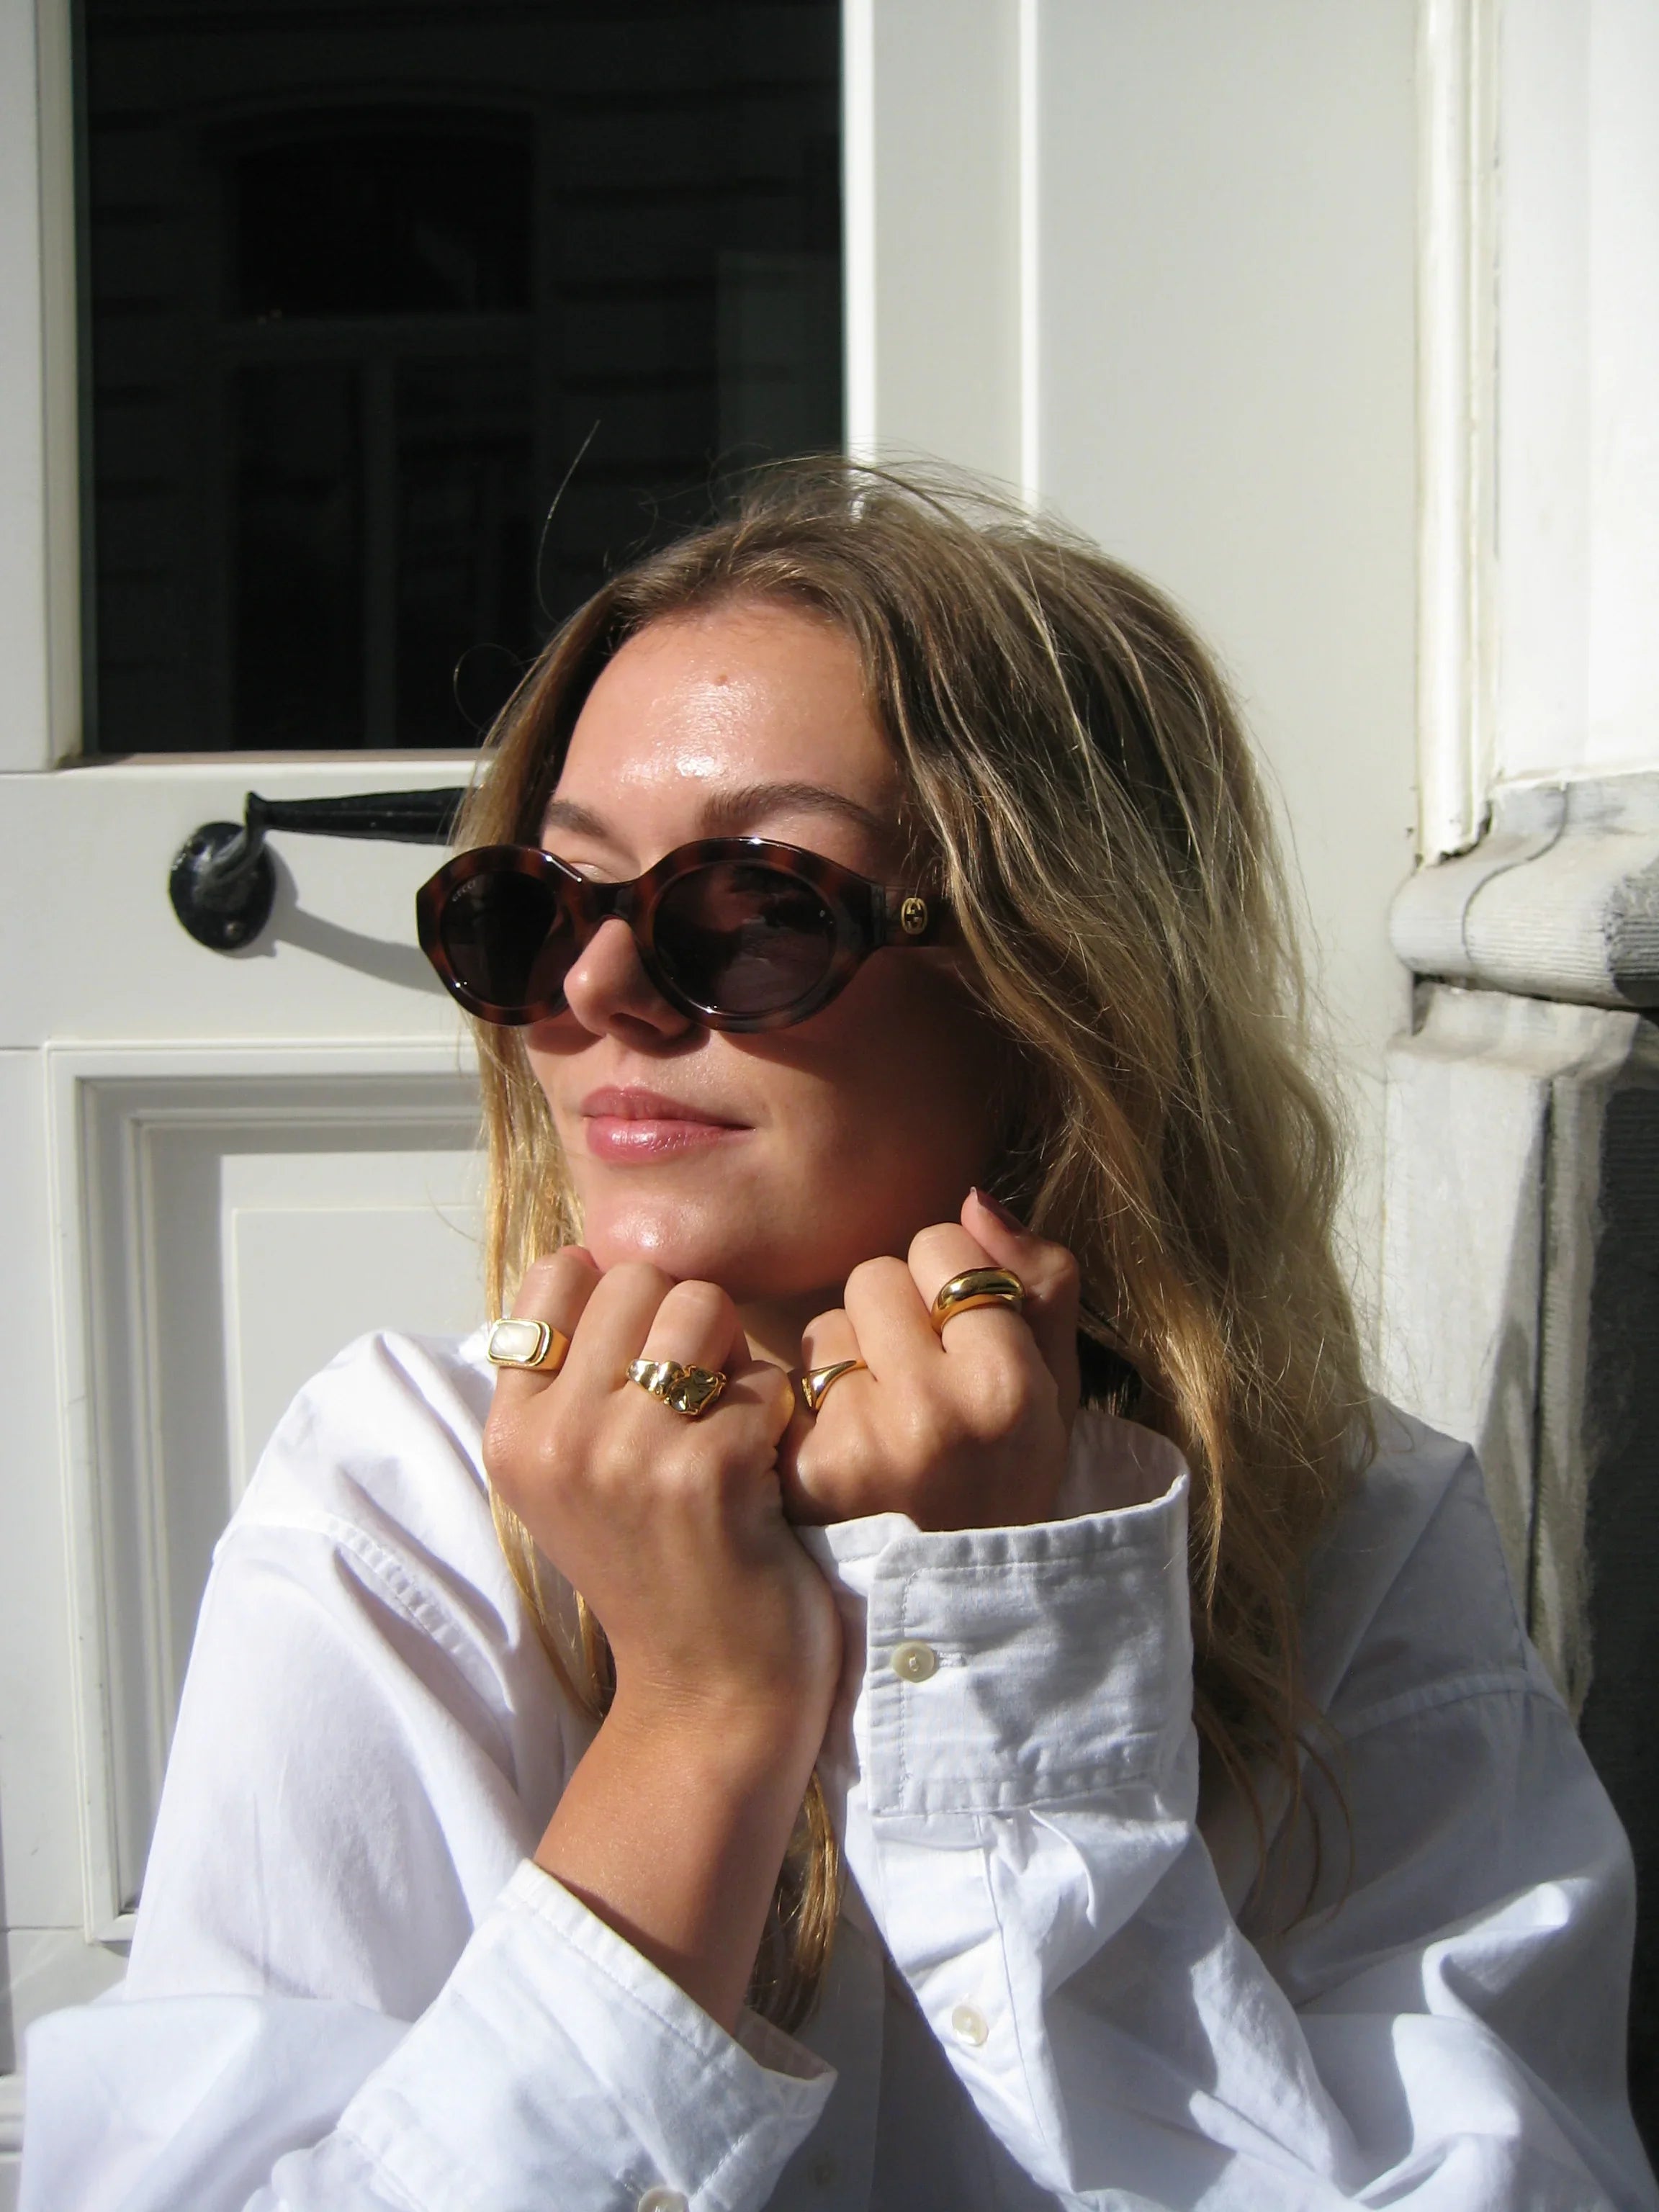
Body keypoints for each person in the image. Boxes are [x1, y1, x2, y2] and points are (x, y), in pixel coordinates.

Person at [20, 467, 1657, 2211]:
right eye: (540, 905)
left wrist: (1004, 1641)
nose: (595, 993)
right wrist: (698, 1722)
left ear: (1053, 981)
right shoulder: (407, 1495)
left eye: (751, 909)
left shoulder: (1342, 1529)